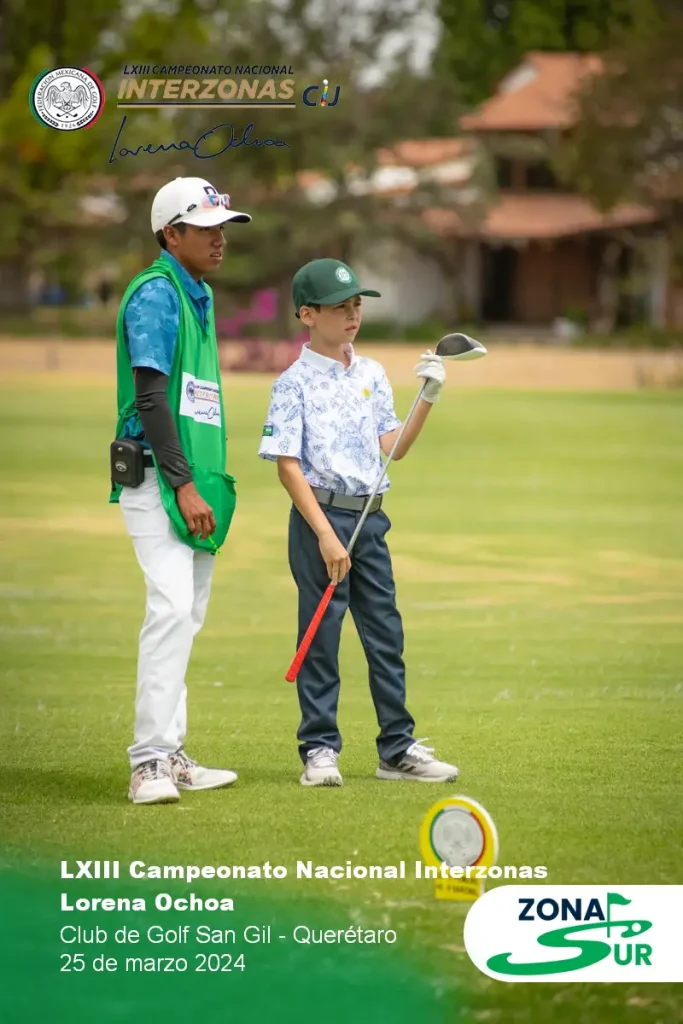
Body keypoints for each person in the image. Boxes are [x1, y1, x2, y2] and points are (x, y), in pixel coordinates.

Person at [258, 258, 460, 787]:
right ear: (307, 314)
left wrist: (427, 397)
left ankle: (397, 749)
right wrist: (326, 536)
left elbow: (394, 447)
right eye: (339, 307)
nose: (352, 315)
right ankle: (319, 749)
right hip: (319, 521)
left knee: (385, 634)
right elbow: (287, 466)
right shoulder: (292, 384)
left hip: (369, 517)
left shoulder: (371, 374)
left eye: (356, 306)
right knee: (321, 638)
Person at [110, 176, 251, 805]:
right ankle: (148, 764)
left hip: (192, 482)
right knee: (169, 610)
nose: (220, 239)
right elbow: (150, 398)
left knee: (185, 617)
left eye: (223, 228)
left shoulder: (198, 293)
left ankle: (171, 753)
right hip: (159, 478)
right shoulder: (156, 294)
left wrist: (201, 484)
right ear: (171, 234)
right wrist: (185, 484)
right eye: (206, 228)